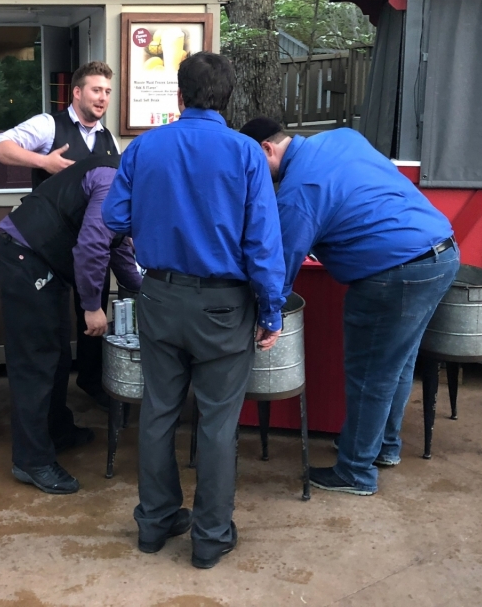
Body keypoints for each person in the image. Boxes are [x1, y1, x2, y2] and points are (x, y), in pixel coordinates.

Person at [102, 52, 286, 569]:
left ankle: (155, 523)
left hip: (159, 296)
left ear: (179, 96)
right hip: (224, 306)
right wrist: (270, 311)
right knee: (218, 422)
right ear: (228, 98)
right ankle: (209, 536)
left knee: (159, 411)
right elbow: (263, 244)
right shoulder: (246, 153)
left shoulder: (145, 147)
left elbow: (114, 216)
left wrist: (160, 217)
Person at [238, 117, 460, 497]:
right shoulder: (342, 137)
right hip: (440, 254)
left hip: (393, 272)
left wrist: (269, 316)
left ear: (266, 149)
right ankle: (382, 446)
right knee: (397, 362)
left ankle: (356, 471)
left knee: (370, 373)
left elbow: (281, 264)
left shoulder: (298, 191)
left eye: (252, 164)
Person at [0, 153, 142, 495]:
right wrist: (92, 306)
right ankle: (31, 460)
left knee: (57, 354)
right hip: (24, 256)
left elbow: (116, 245)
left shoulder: (125, 179)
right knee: (35, 362)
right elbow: (92, 246)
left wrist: (145, 288)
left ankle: (56, 430)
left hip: (46, 262)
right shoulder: (112, 181)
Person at [0, 61, 119, 407]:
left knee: (94, 311)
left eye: (107, 91)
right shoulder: (49, 125)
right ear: (76, 93)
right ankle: (52, 407)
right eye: (96, 90)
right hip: (47, 250)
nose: (103, 98)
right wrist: (43, 162)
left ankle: (92, 381)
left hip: (92, 246)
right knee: (53, 332)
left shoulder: (109, 140)